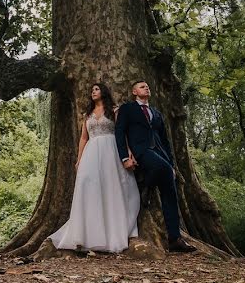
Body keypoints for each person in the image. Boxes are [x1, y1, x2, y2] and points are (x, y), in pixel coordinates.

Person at [49, 83, 140, 253]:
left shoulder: (114, 110)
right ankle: (89, 234)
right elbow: (84, 138)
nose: (93, 92)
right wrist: (79, 160)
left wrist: (127, 153)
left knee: (112, 187)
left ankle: (114, 231)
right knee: (89, 188)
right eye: (91, 90)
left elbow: (122, 133)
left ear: (104, 92)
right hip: (91, 153)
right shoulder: (87, 115)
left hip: (111, 150)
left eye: (96, 89)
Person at [115, 80, 196, 253]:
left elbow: (165, 141)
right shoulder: (127, 108)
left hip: (160, 153)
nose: (147, 87)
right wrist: (124, 157)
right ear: (134, 91)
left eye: (148, 86)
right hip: (140, 152)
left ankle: (174, 239)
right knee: (162, 169)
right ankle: (147, 185)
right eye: (142, 86)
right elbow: (120, 132)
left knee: (170, 193)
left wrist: (172, 164)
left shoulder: (156, 113)